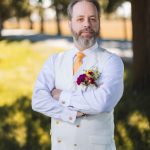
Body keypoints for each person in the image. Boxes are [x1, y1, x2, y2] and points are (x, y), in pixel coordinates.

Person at [32, 0, 124, 150]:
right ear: (70, 23)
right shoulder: (54, 61)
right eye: (80, 19)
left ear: (99, 22)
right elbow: (38, 100)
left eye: (92, 18)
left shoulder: (112, 61)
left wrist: (61, 96)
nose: (86, 24)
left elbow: (103, 102)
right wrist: (71, 113)